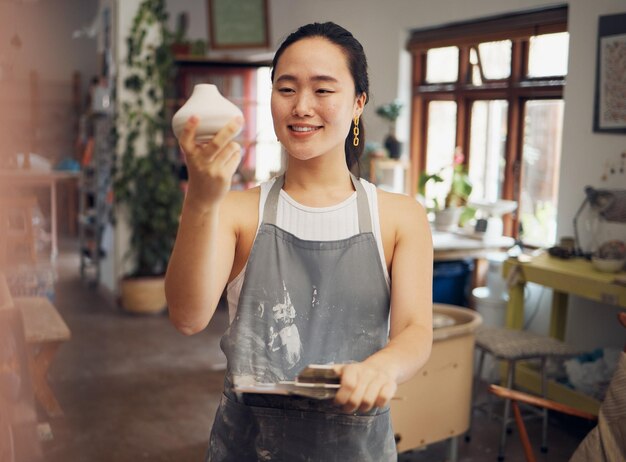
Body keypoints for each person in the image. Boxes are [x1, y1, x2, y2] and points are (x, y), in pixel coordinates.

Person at [165, 22, 433, 462]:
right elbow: (187, 317)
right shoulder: (236, 211)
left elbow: (415, 331)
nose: (302, 106)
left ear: (358, 103)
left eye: (323, 91)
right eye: (286, 89)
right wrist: (201, 198)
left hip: (356, 449)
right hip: (247, 446)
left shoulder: (401, 217)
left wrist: (381, 367)